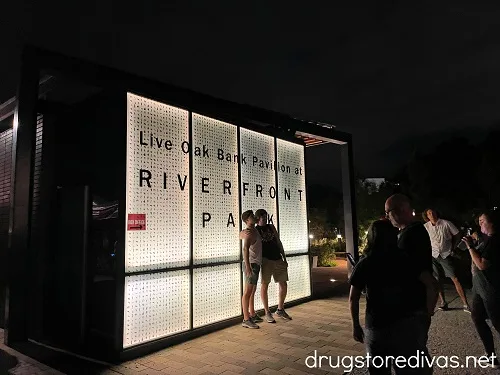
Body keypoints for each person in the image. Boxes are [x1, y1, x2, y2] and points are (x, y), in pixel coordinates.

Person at [349, 220, 436, 375]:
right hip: (405, 325)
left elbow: (353, 297)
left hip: (377, 326)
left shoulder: (366, 262)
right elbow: (431, 284)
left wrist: (356, 325)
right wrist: (428, 313)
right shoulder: (406, 258)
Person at [384, 194, 439, 345]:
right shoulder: (411, 231)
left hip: (413, 310)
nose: (387, 217)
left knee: (411, 355)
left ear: (401, 210)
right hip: (414, 309)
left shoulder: (411, 235)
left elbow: (427, 278)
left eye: (388, 212)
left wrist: (426, 313)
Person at [462, 210, 500, 367]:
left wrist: (470, 246)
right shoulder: (486, 240)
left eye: (482, 221)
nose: (479, 224)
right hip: (479, 287)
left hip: (491, 289)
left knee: (498, 323)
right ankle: (490, 356)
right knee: (477, 318)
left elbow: (482, 264)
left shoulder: (495, 241)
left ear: (492, 223)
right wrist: (476, 242)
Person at [242, 209, 291, 322]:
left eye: (265, 216)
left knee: (283, 284)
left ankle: (280, 309)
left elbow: (278, 241)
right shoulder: (255, 230)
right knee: (263, 285)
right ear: (257, 218)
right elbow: (244, 235)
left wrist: (284, 257)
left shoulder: (271, 227)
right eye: (262, 216)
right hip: (264, 260)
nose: (264, 218)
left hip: (277, 258)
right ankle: (266, 312)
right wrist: (242, 233)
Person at [423, 208, 470, 312]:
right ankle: (443, 303)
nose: (432, 214)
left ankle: (465, 304)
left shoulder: (446, 223)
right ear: (427, 216)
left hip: (445, 254)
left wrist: (453, 247)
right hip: (434, 255)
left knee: (455, 278)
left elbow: (457, 234)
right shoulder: (426, 226)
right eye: (429, 213)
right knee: (437, 279)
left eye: (433, 212)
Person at [240, 210, 262, 329]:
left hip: (255, 264)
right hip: (252, 264)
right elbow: (245, 249)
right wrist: (248, 266)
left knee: (252, 290)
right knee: (248, 291)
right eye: (252, 216)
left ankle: (251, 314)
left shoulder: (253, 230)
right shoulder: (248, 233)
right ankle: (246, 319)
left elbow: (240, 235)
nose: (254, 217)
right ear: (247, 220)